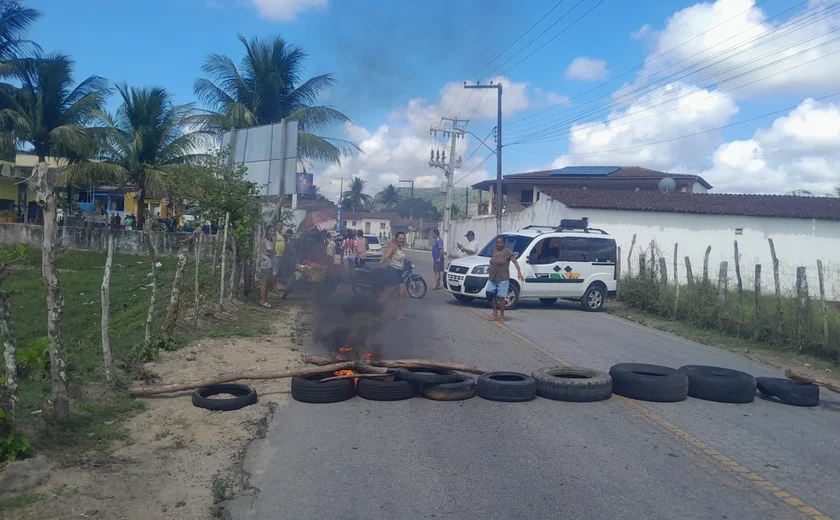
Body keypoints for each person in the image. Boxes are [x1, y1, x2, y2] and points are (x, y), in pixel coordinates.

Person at [486, 236, 524, 325]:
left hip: (503, 278)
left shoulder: (507, 252)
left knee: (501, 298)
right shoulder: (494, 250)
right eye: (497, 243)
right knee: (489, 294)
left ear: (504, 243)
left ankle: (502, 316)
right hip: (493, 277)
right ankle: (495, 311)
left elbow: (515, 262)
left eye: (500, 243)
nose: (499, 244)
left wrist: (519, 272)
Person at [378, 231, 408, 320]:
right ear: (396, 238)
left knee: (402, 293)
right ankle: (375, 311)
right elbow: (385, 257)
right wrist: (377, 266)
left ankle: (400, 314)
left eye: (403, 239)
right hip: (392, 272)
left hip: (399, 272)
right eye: (400, 238)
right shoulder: (393, 247)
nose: (402, 240)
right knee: (387, 295)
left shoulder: (400, 248)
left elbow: (401, 260)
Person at [258, 225, 277, 308]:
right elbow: (272, 251)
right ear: (267, 231)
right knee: (264, 283)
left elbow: (274, 252)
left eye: (273, 231)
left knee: (268, 283)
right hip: (265, 263)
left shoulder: (271, 240)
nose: (272, 232)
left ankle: (264, 299)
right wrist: (275, 242)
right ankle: (263, 301)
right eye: (271, 230)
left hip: (270, 263)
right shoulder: (266, 241)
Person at [272, 224, 286, 291]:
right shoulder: (274, 233)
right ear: (275, 226)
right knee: (274, 271)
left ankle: (275, 286)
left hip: (280, 255)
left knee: (276, 271)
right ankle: (273, 286)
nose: (280, 226)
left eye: (281, 225)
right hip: (276, 255)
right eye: (279, 225)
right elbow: (273, 242)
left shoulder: (281, 234)